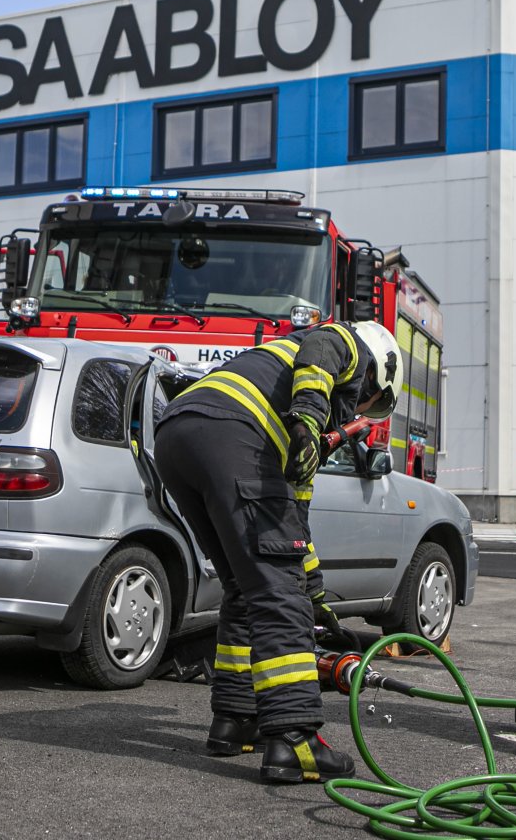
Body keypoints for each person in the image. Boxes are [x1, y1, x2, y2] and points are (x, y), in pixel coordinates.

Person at [156, 319, 401, 782]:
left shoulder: (281, 402)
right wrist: (309, 419)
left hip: (177, 436)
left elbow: (293, 527)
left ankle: (236, 718)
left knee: (248, 588)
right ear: (377, 372)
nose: (355, 416)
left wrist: (315, 594)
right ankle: (293, 739)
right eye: (367, 405)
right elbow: (322, 351)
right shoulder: (344, 343)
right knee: (275, 595)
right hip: (233, 434)